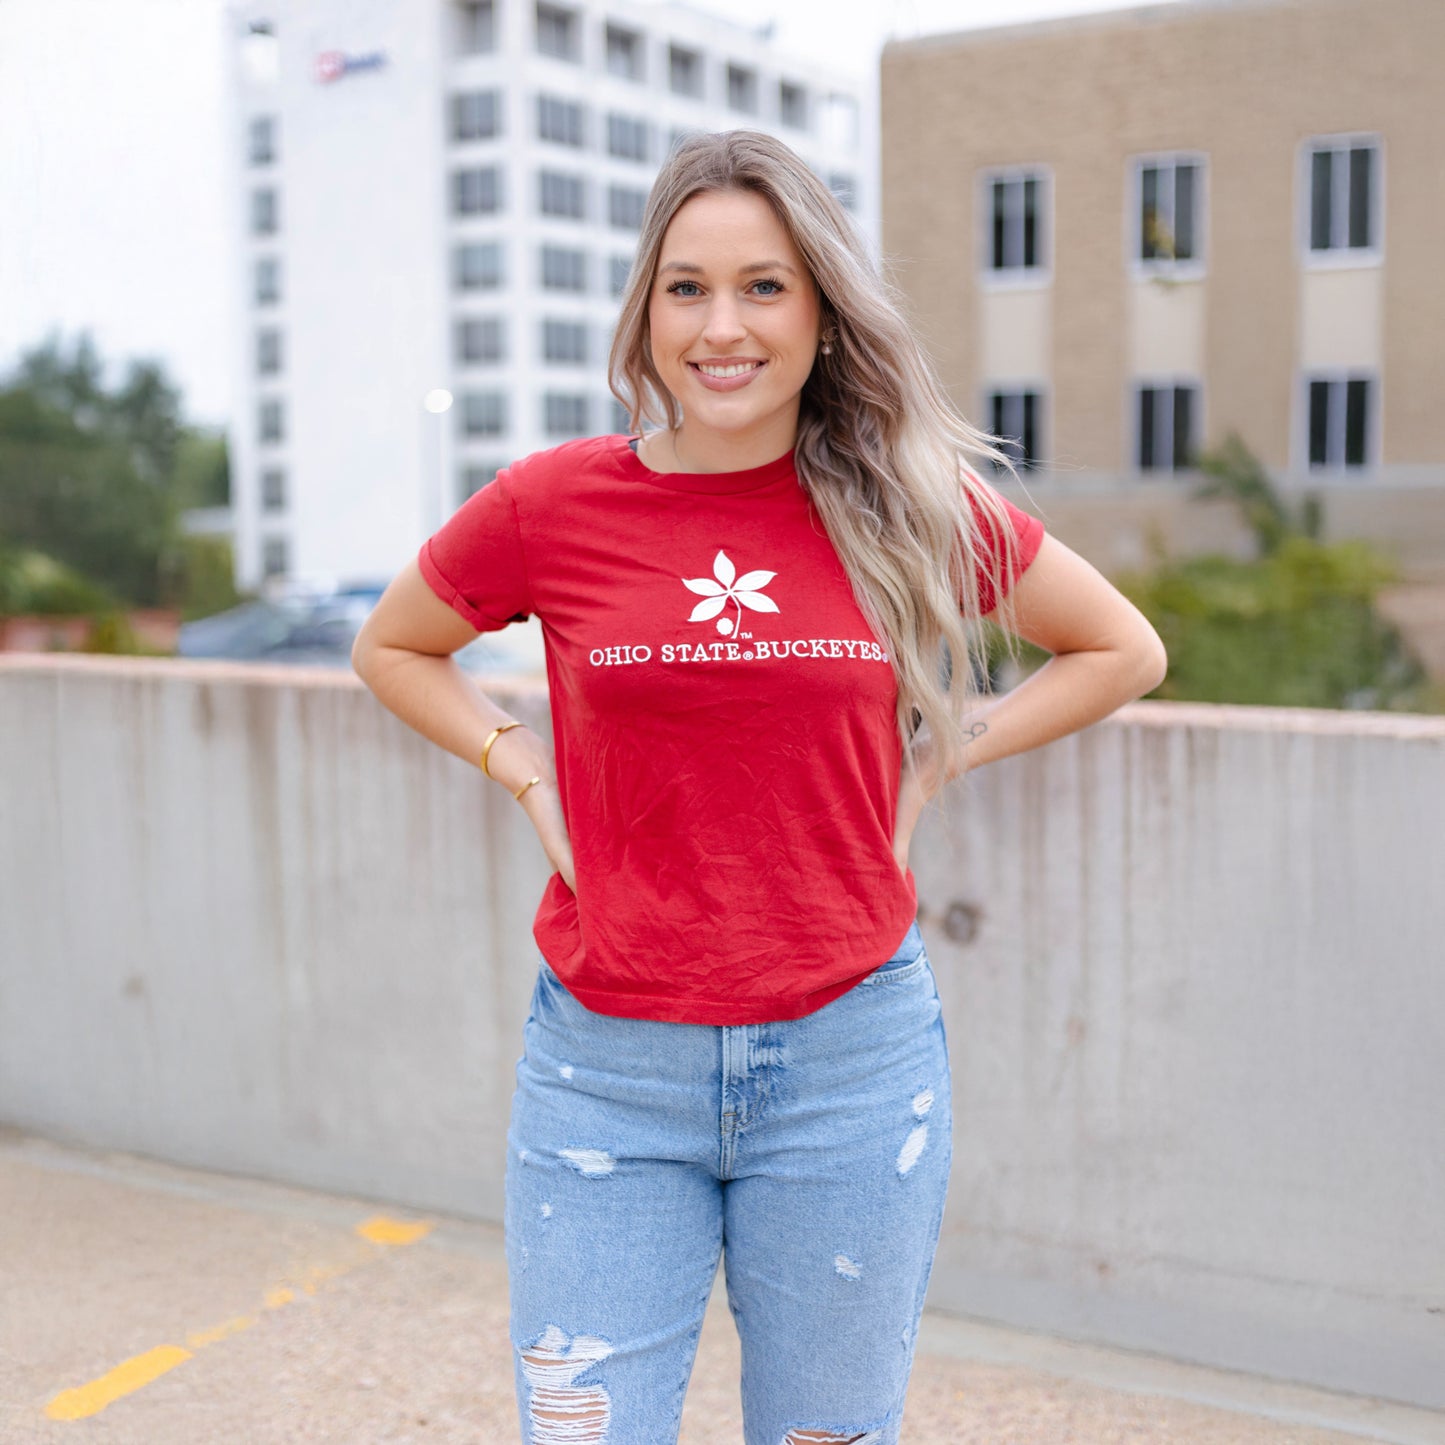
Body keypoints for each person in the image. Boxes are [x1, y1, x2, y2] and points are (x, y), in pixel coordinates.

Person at [352, 130, 1166, 1445]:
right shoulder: (550, 506)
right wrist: (520, 768)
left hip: (849, 1057)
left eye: (763, 285)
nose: (720, 325)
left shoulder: (902, 502)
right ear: (644, 309)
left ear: (822, 311)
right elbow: (391, 644)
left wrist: (944, 745)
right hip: (605, 1069)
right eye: (685, 287)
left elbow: (1120, 646)